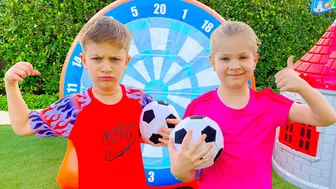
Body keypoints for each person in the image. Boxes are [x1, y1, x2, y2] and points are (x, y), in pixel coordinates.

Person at [4, 16, 171, 188]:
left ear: (126, 61)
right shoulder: (72, 108)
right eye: (97, 58)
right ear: (84, 61)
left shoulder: (140, 100)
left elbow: (162, 134)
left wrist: (173, 134)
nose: (106, 67)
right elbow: (23, 125)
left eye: (114, 59)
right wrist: (10, 83)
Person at [166, 21, 336, 189]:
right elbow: (190, 173)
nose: (235, 65)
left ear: (254, 60)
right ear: (212, 62)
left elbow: (326, 117)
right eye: (225, 58)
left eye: (243, 57)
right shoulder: (198, 109)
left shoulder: (269, 104)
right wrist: (179, 169)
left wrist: (302, 86)